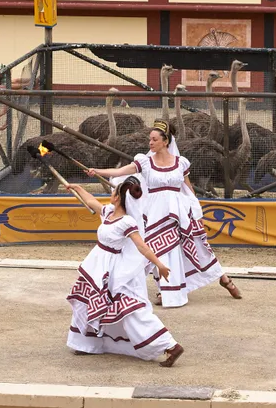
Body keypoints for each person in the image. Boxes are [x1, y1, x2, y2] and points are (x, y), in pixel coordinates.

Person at [86, 121, 242, 307]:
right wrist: (97, 172)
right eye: (149, 139)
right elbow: (120, 171)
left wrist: (195, 211)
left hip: (180, 211)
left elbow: (188, 188)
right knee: (158, 249)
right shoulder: (145, 162)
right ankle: (164, 289)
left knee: (197, 245)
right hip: (154, 212)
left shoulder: (181, 163)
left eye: (154, 139)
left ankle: (223, 278)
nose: (150, 143)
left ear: (165, 141)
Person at [64, 177, 184, 367]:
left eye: (113, 192)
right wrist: (77, 187)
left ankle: (170, 345)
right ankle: (86, 343)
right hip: (97, 265)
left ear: (118, 198)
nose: (110, 195)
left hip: (114, 270)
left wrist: (159, 265)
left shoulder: (127, 222)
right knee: (88, 300)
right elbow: (92, 202)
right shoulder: (109, 213)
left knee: (130, 310)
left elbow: (142, 247)